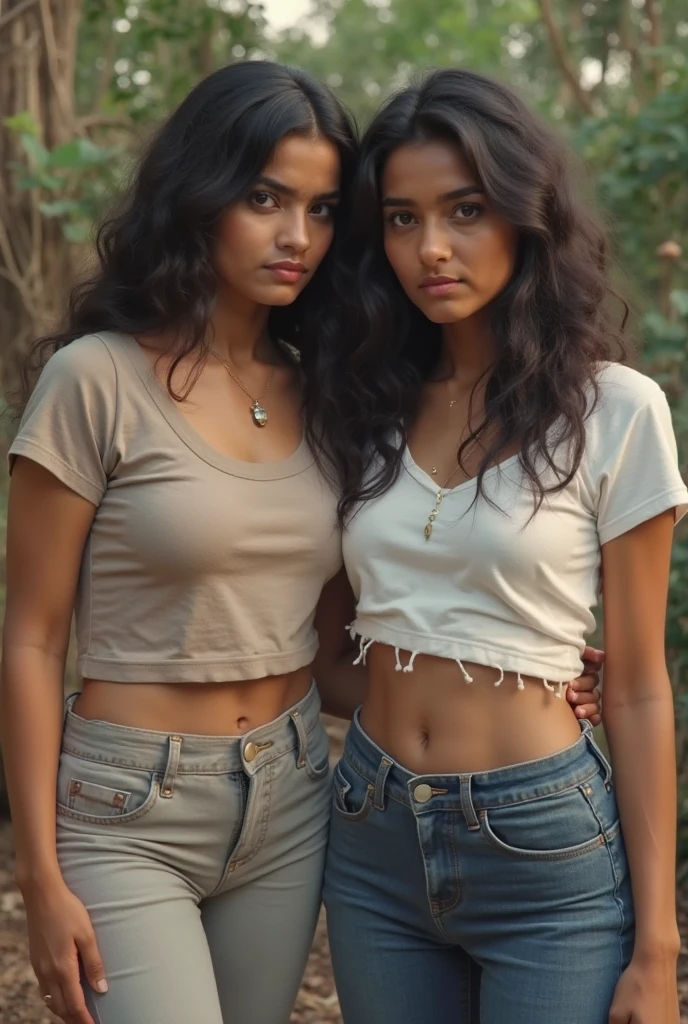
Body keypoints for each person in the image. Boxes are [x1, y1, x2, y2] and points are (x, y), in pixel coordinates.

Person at [1, 60, 600, 1024]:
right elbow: (30, 638)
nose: (297, 237)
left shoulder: (332, 391)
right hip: (128, 806)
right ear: (199, 197)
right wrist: (38, 871)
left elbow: (338, 649)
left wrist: (522, 676)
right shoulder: (94, 380)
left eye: (323, 209)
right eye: (265, 197)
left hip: (293, 796)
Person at [316, 68, 687, 1024]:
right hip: (372, 834)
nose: (431, 248)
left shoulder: (615, 411)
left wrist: (659, 947)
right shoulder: (363, 404)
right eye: (402, 218)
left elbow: (640, 685)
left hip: (545, 850)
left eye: (465, 209)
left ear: (527, 215)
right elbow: (330, 641)